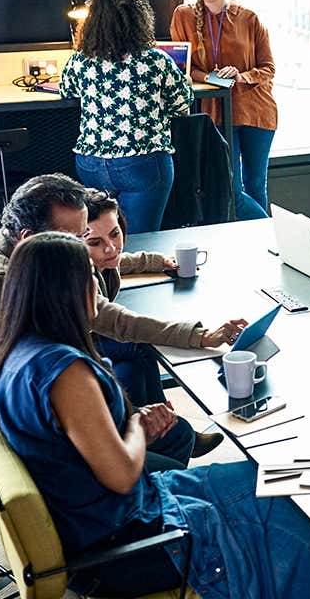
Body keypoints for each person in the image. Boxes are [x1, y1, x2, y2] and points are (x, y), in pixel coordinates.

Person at [0, 233, 310, 599]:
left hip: (107, 521)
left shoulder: (17, 353)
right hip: (129, 543)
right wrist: (136, 426)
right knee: (288, 508)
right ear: (63, 291)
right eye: (87, 273)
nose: (96, 281)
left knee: (276, 478)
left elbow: (75, 446)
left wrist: (132, 426)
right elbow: (121, 476)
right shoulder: (66, 374)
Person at [0, 174, 243, 496]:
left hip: (46, 402)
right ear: (29, 238)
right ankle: (152, 504)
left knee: (171, 428)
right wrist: (117, 425)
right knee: (198, 478)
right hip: (13, 429)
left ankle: (156, 492)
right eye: (80, 242)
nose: (92, 263)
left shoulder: (29, 251)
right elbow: (7, 394)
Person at [82, 189, 226, 460]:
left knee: (133, 369)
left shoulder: (99, 258)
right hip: (84, 345)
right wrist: (199, 336)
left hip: (95, 337)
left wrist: (158, 261)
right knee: (138, 343)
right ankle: (167, 423)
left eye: (115, 233)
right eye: (95, 242)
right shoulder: (76, 273)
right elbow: (123, 323)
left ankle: (160, 425)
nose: (111, 247)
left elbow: (117, 261)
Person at [60, 0, 193, 234]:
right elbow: (183, 104)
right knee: (141, 240)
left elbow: (67, 90)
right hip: (142, 162)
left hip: (91, 164)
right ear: (140, 19)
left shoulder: (80, 60)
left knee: (102, 240)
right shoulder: (155, 60)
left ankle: (106, 275)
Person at [171, 0, 278, 221]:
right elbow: (182, 68)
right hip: (216, 111)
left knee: (256, 185)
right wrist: (208, 77)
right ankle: (272, 232)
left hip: (255, 111)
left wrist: (241, 76)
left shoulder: (248, 17)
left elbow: (269, 68)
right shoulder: (183, 15)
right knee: (232, 188)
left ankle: (264, 245)